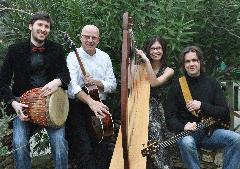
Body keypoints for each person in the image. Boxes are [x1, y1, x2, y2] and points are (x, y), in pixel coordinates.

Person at [0, 12, 70, 169]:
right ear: (30, 26)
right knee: (19, 143)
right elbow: (2, 82)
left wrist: (57, 81)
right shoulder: (14, 50)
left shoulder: (56, 49)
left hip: (51, 107)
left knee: (59, 143)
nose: (43, 29)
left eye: (47, 26)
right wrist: (13, 103)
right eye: (40, 25)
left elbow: (66, 75)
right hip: (23, 107)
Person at [164, 46, 240, 169]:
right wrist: (183, 126)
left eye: (194, 60)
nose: (191, 64)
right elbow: (170, 117)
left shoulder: (212, 83)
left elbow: (224, 111)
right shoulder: (177, 86)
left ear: (200, 62)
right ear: (184, 65)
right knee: (187, 142)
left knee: (237, 139)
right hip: (187, 134)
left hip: (210, 133)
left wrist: (202, 105)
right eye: (187, 61)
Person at [66, 25, 117, 169]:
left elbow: (112, 85)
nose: (90, 40)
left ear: (98, 40)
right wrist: (90, 102)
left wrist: (96, 82)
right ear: (80, 38)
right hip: (79, 106)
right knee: (84, 147)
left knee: (102, 146)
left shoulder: (104, 57)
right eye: (86, 37)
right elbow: (71, 87)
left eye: (94, 37)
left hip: (100, 104)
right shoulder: (72, 56)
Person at [136, 36, 174, 169]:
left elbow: (154, 83)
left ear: (163, 50)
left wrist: (146, 61)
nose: (155, 51)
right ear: (148, 50)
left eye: (159, 48)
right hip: (139, 108)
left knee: (155, 140)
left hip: (158, 110)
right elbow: (129, 85)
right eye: (152, 48)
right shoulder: (140, 67)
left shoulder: (169, 70)